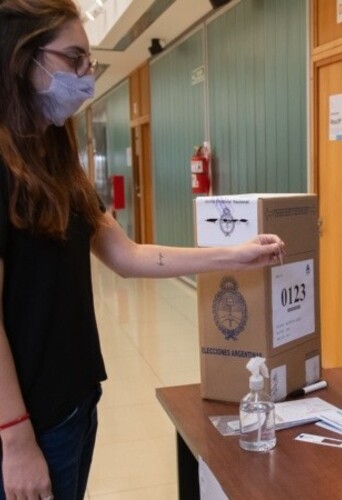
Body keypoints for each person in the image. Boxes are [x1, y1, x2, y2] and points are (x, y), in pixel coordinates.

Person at [0, 2, 285, 498]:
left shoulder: (59, 163)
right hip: (25, 418)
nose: (86, 76)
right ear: (24, 58)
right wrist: (15, 437)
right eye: (74, 59)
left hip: (74, 400)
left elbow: (128, 255)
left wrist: (233, 255)